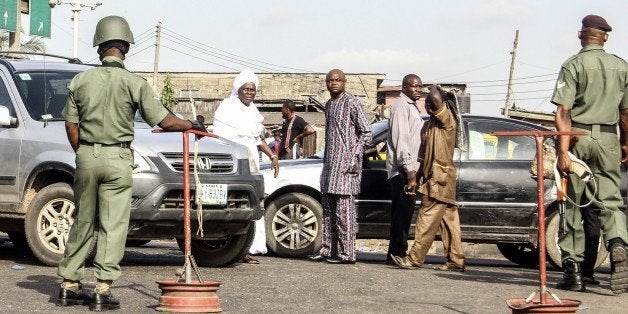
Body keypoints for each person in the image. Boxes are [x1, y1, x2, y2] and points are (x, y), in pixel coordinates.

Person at [56, 16, 207, 311]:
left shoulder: (80, 80)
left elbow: (70, 124)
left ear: (100, 47)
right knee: (113, 224)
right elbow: (163, 120)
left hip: (86, 155)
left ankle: (69, 285)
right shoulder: (134, 83)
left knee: (83, 220)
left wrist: (84, 152)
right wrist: (192, 123)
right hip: (118, 157)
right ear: (125, 47)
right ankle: (101, 289)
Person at [552, 14, 628, 294]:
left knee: (574, 203)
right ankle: (619, 243)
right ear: (605, 37)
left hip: (579, 138)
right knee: (611, 201)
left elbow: (563, 111)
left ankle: (574, 272)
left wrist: (563, 152)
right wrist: (625, 145)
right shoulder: (622, 66)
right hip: (609, 137)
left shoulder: (573, 65)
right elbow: (626, 113)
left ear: (580, 35)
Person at [391, 85, 465, 272]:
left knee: (426, 218)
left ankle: (414, 259)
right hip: (435, 177)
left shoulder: (447, 121)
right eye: (427, 102)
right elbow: (423, 158)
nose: (429, 103)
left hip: (440, 179)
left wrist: (434, 87)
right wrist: (414, 179)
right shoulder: (429, 125)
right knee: (449, 221)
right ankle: (456, 260)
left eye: (431, 102)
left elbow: (436, 98)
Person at [212, 69, 280, 263]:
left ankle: (251, 247)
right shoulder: (227, 107)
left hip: (251, 158)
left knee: (254, 200)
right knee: (234, 200)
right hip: (233, 160)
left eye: (253, 89)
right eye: (246, 89)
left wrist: (272, 156)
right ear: (238, 89)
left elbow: (257, 138)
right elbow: (220, 137)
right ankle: (231, 247)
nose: (250, 92)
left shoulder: (253, 111)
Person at [310, 69, 372, 264]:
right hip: (329, 165)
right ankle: (328, 250)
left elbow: (367, 132)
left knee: (344, 213)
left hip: (346, 167)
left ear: (344, 82)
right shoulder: (328, 104)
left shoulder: (352, 102)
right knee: (328, 211)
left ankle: (347, 254)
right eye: (330, 81)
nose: (334, 83)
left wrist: (353, 155)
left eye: (338, 80)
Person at [385, 74, 424, 264]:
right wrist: (409, 171)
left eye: (420, 86)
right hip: (403, 170)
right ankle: (397, 254)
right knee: (401, 215)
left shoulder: (411, 106)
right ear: (404, 87)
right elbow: (401, 141)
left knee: (404, 214)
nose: (418, 89)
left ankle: (395, 253)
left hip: (408, 169)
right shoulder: (401, 106)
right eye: (414, 86)